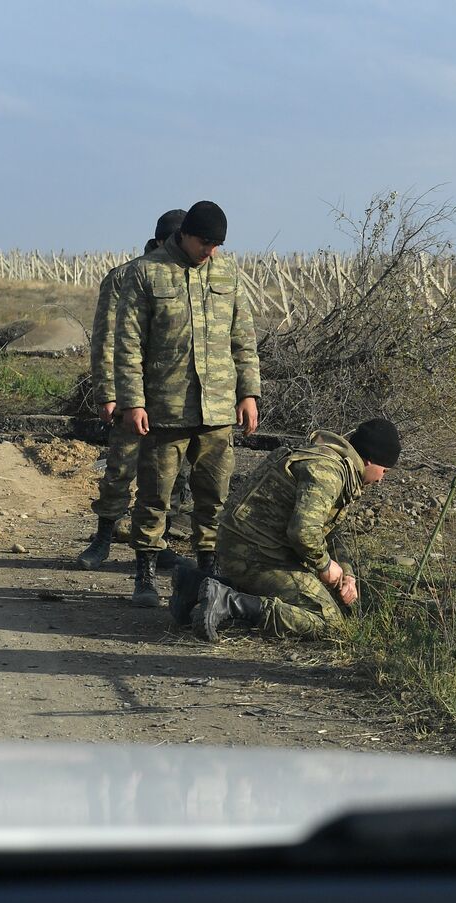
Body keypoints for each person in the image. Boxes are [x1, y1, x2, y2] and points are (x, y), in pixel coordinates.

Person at [114, 200, 261, 607]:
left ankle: (208, 572)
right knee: (155, 493)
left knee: (214, 495)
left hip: (216, 409)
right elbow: (127, 344)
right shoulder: (146, 272)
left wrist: (248, 393)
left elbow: (243, 339)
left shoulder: (227, 273)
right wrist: (132, 401)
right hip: (165, 408)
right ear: (185, 234)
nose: (209, 251)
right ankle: (145, 572)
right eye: (204, 242)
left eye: (217, 245)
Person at [177, 418, 400, 642]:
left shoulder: (330, 460)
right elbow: (303, 532)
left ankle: (194, 586)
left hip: (246, 546)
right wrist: (323, 565)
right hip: (255, 554)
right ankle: (229, 602)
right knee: (329, 622)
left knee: (325, 602)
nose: (381, 479)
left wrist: (347, 573)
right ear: (370, 461)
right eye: (385, 471)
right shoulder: (329, 472)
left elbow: (330, 532)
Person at [75, 208, 185, 571]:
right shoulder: (123, 277)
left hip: (174, 397)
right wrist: (107, 394)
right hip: (129, 392)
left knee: (170, 476)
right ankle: (103, 537)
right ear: (158, 241)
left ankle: (158, 542)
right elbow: (105, 339)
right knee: (121, 469)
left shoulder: (188, 277)